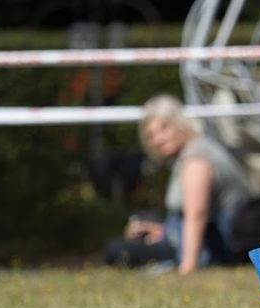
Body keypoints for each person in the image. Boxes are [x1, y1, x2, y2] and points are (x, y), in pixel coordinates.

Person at [104, 95, 252, 274]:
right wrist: (163, 231)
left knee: (116, 250)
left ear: (180, 124)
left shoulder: (196, 159)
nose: (158, 139)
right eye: (151, 135)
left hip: (216, 247)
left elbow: (197, 215)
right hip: (193, 238)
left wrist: (188, 267)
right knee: (142, 217)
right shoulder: (190, 153)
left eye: (164, 128)